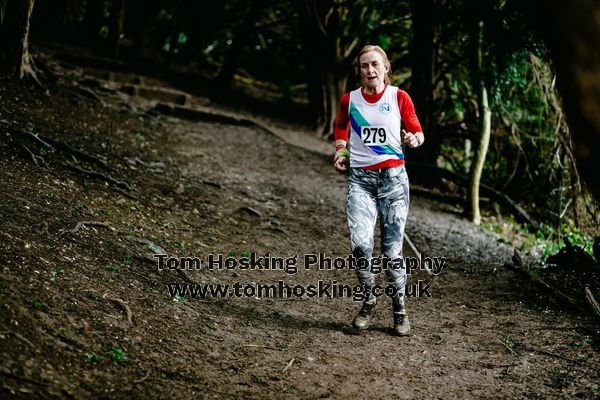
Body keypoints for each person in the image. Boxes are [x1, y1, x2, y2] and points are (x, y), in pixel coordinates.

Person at [333, 44, 424, 336]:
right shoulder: (350, 100)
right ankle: (368, 300)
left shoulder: (399, 97)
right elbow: (340, 127)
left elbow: (418, 132)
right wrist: (340, 151)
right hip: (360, 181)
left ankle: (399, 309)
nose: (370, 70)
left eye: (375, 65)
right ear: (358, 70)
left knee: (391, 251)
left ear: (386, 68)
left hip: (393, 181)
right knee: (361, 245)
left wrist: (413, 140)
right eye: (364, 66)